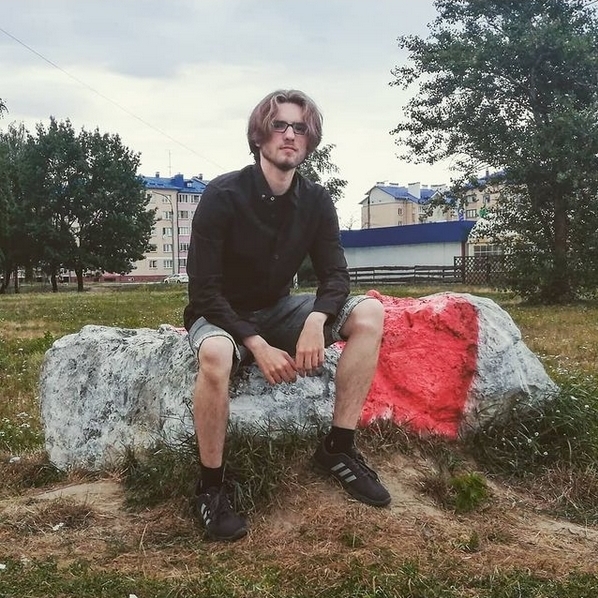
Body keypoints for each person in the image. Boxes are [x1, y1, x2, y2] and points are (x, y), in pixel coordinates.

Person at [184, 89, 390, 542]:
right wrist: (255, 344)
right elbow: (204, 291)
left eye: (300, 128)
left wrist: (317, 319)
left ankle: (338, 448)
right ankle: (210, 488)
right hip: (221, 314)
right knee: (216, 356)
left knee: (370, 312)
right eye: (279, 125)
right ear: (259, 136)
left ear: (309, 139)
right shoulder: (222, 195)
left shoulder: (316, 200)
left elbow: (336, 275)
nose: (290, 135)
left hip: (280, 308)